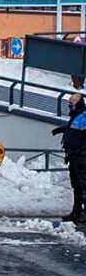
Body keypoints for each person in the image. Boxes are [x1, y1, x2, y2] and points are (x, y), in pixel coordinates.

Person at [52, 93, 86, 222]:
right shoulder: (75, 116)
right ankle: (76, 212)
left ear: (79, 103)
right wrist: (63, 130)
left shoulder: (83, 116)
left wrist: (82, 154)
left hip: (81, 158)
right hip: (73, 157)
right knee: (76, 185)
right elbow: (74, 130)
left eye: (71, 104)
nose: (69, 106)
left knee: (84, 186)